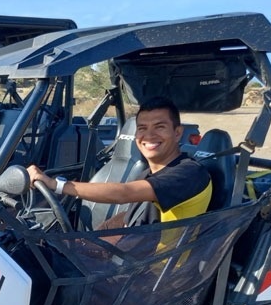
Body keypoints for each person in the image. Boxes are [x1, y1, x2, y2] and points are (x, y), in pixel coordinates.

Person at [27, 96, 212, 230]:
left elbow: (124, 193)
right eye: (142, 128)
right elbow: (129, 217)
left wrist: (56, 184)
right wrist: (86, 244)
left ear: (177, 133)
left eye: (160, 127)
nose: (149, 135)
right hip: (136, 260)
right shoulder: (148, 174)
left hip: (161, 270)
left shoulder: (189, 173)